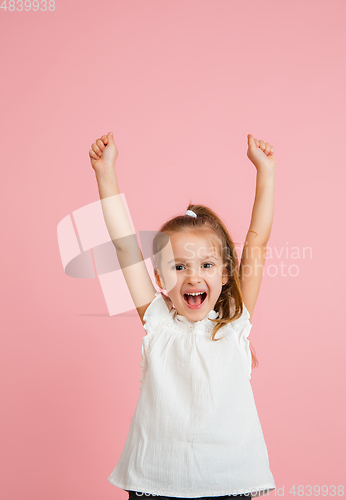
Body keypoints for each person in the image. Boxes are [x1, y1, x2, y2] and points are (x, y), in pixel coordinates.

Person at [89, 132, 277, 499]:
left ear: (224, 273)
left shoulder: (235, 323)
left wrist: (265, 171)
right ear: (159, 278)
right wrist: (105, 172)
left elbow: (256, 240)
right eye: (179, 266)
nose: (193, 276)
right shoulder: (158, 321)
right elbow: (125, 245)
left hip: (229, 481)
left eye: (206, 264)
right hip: (154, 482)